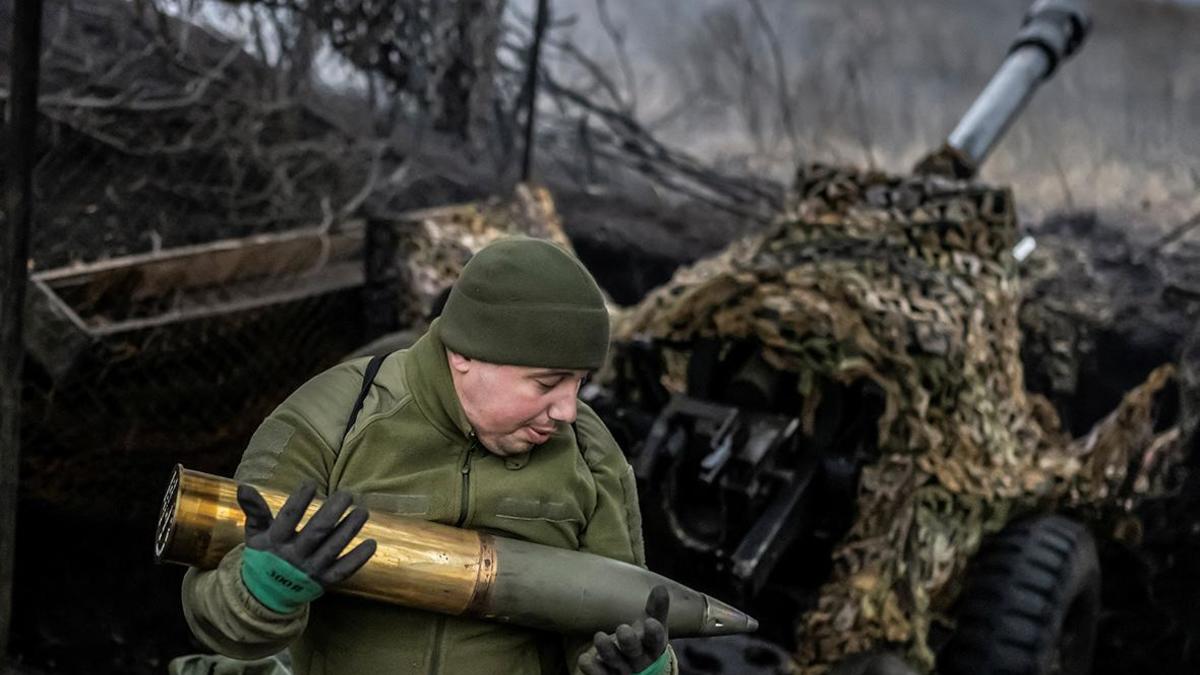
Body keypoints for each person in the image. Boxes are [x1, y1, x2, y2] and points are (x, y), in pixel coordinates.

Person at [180, 237, 678, 675]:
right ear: (464, 355)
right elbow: (219, 621)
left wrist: (642, 668)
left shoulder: (591, 457)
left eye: (580, 383)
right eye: (546, 384)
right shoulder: (331, 418)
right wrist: (264, 590)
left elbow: (613, 618)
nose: (568, 410)